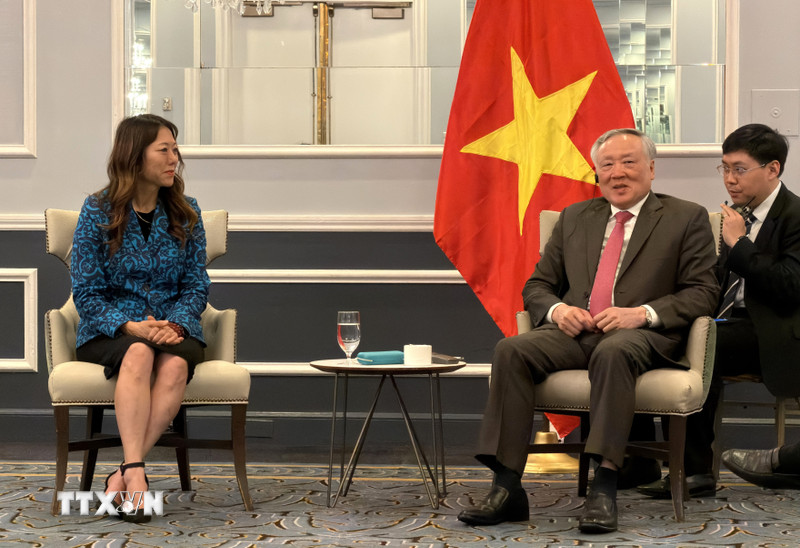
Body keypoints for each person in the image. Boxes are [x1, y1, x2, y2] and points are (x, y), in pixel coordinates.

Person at [456, 128, 719, 533]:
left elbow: (703, 292)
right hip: (577, 334)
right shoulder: (575, 217)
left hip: (644, 337)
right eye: (607, 165)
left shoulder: (685, 217)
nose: (617, 173)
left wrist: (642, 313)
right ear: (597, 174)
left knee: (614, 350)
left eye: (628, 162)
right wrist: (558, 310)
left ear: (651, 168)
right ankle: (507, 486)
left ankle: (605, 485)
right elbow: (537, 286)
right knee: (511, 350)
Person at [638, 123, 800, 499]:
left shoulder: (794, 216)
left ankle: (693, 471)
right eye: (724, 168)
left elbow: (790, 287)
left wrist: (739, 244)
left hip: (777, 330)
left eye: (739, 169)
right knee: (658, 336)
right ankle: (641, 458)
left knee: (703, 343)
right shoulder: (738, 213)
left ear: (773, 169)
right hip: (730, 324)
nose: (729, 179)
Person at [71, 114, 210, 522]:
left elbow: (196, 285)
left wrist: (176, 324)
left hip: (173, 326)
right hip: (110, 328)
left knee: (175, 364)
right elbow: (86, 290)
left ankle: (125, 473)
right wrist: (130, 326)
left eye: (175, 149)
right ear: (134, 156)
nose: (174, 159)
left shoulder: (187, 211)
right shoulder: (97, 210)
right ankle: (135, 475)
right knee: (138, 352)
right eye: (163, 150)